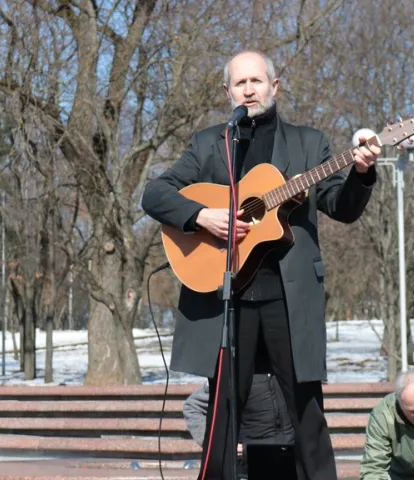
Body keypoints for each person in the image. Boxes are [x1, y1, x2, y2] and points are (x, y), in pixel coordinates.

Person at [141, 49, 380, 480]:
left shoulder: (310, 143)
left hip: (289, 300)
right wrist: (201, 216)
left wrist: (361, 174)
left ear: (275, 85)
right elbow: (154, 194)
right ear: (227, 91)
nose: (248, 89)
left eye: (257, 80)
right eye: (240, 83)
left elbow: (339, 206)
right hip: (226, 297)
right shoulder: (209, 143)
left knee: (306, 413)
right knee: (223, 414)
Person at [183, 374, 294, 479]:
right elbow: (193, 407)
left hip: (291, 461)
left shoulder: (287, 369)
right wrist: (223, 446)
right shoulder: (239, 372)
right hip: (250, 465)